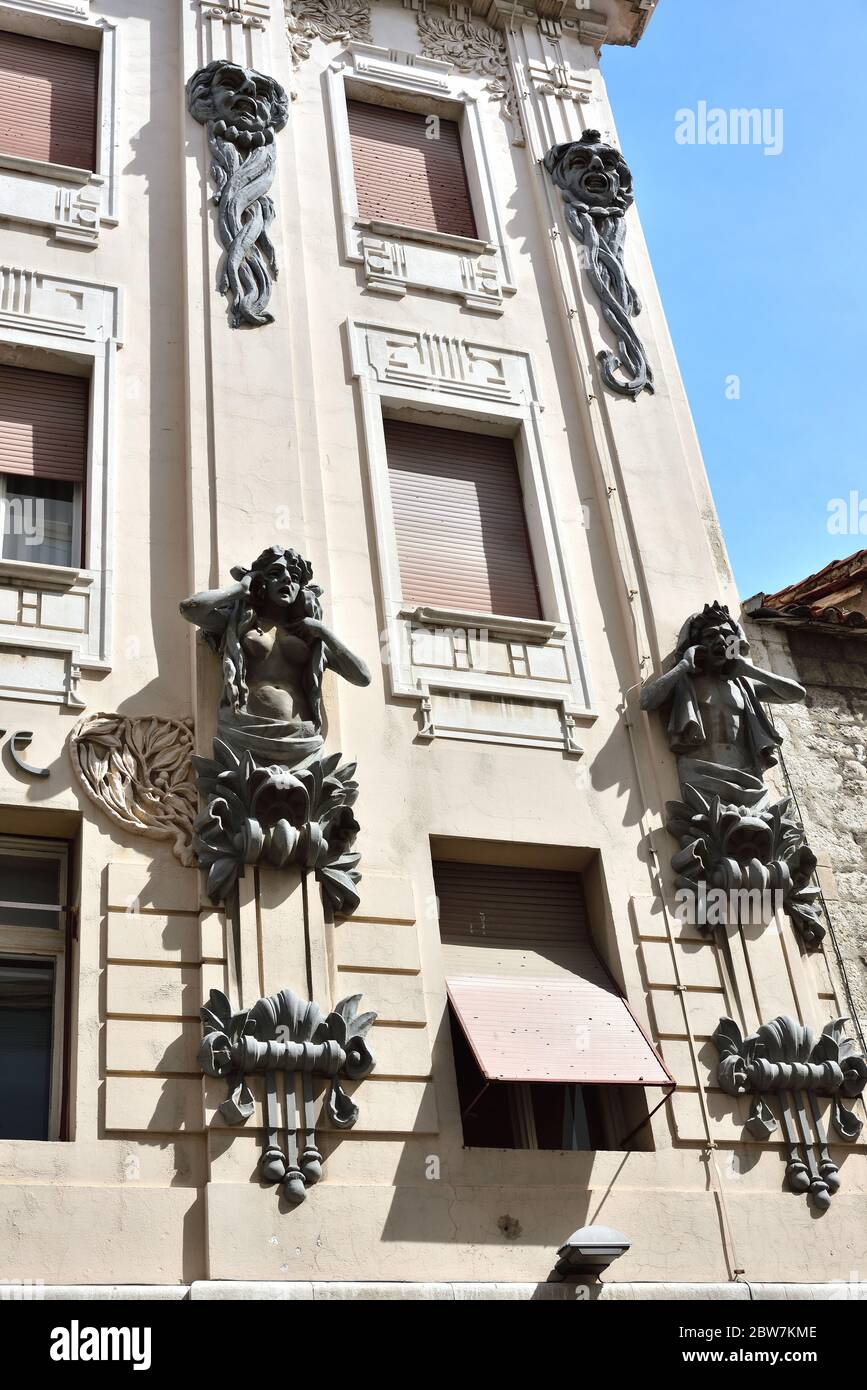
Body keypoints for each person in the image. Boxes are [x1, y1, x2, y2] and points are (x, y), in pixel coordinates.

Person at [180, 546, 370, 766]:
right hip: (246, 730)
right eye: (275, 573)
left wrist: (322, 631)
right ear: (261, 582)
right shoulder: (240, 623)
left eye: (295, 576)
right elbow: (190, 608)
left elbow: (363, 676)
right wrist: (241, 589)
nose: (287, 579)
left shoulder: (309, 636)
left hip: (302, 736)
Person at [639, 602, 805, 809]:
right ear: (696, 645)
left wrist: (748, 670)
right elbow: (646, 701)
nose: (721, 641)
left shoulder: (743, 685)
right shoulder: (686, 683)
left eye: (727, 637)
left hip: (748, 779)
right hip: (701, 774)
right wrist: (683, 666)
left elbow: (797, 694)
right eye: (710, 636)